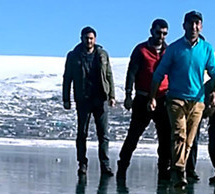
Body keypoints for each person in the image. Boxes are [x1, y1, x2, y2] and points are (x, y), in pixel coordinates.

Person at [148, 10, 215, 187]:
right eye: (190, 23)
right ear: (184, 26)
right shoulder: (174, 48)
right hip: (176, 99)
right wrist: (152, 97)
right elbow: (158, 74)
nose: (194, 27)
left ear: (201, 26)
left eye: (197, 23)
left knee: (189, 139)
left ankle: (177, 168)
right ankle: (179, 171)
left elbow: (214, 73)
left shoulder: (206, 48)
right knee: (179, 134)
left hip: (197, 101)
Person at [118, 19, 172, 182]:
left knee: (165, 138)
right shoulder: (141, 50)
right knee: (133, 135)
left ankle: (164, 171)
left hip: (162, 99)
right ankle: (122, 167)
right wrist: (128, 95)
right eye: (158, 33)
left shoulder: (169, 51)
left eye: (164, 34)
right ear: (151, 31)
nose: (161, 37)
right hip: (142, 98)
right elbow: (131, 73)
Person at [63, 26, 116, 177]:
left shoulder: (102, 54)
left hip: (100, 98)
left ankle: (105, 165)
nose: (89, 41)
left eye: (91, 38)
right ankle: (82, 164)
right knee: (82, 133)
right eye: (86, 38)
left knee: (103, 135)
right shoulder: (73, 56)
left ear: (95, 39)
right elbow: (67, 78)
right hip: (83, 99)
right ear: (81, 39)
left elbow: (109, 75)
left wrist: (112, 95)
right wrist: (66, 99)